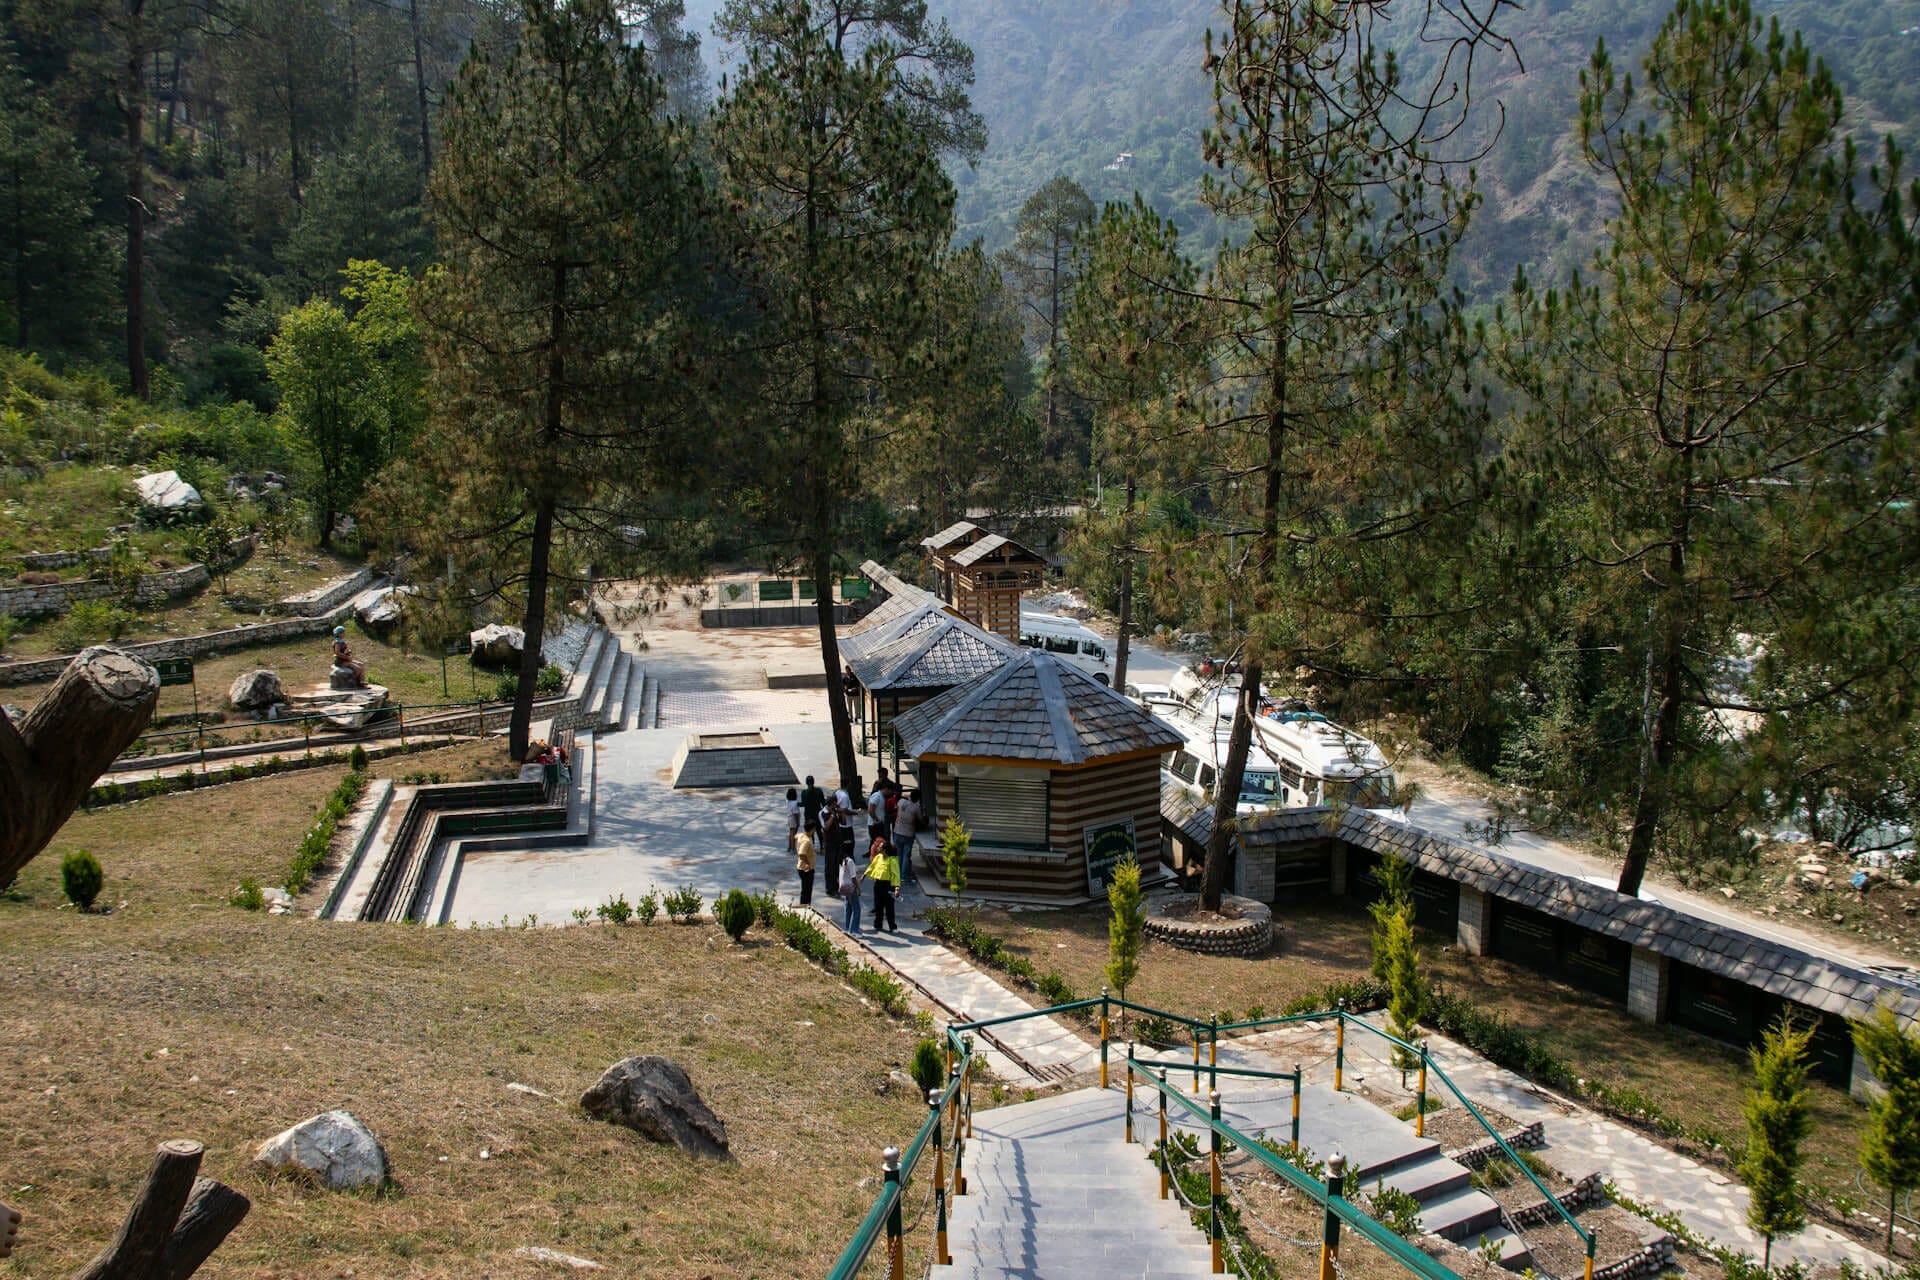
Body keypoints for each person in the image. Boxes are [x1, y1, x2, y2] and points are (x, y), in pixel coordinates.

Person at [868, 828, 898, 933]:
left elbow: (896, 875)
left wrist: (897, 888)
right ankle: (878, 924)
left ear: (885, 850)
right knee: (878, 905)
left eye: (880, 847)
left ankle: (892, 926)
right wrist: (865, 876)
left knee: (889, 907)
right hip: (878, 884)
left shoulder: (892, 861)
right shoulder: (878, 858)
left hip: (889, 885)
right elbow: (872, 867)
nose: (877, 848)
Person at [894, 787, 922, 883]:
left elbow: (897, 809)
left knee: (898, 854)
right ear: (918, 798)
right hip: (908, 834)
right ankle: (904, 875)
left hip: (897, 831)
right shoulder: (916, 808)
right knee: (906, 855)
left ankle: (897, 873)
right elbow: (921, 819)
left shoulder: (901, 802)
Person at [839, 850, 863, 933]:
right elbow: (853, 877)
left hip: (845, 887)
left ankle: (847, 927)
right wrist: (858, 888)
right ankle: (854, 930)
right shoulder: (850, 861)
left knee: (848, 908)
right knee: (856, 909)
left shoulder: (843, 860)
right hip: (851, 888)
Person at [796, 822, 817, 906]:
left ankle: (805, 905)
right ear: (812, 829)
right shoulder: (806, 841)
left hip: (803, 867)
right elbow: (801, 854)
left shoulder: (803, 836)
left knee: (806, 890)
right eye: (814, 829)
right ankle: (804, 906)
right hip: (806, 869)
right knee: (806, 891)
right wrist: (808, 863)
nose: (815, 831)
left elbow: (796, 836)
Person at [785, 787, 800, 853]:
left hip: (789, 818)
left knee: (791, 833)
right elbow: (795, 813)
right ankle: (793, 848)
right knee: (793, 834)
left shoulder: (788, 801)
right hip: (793, 819)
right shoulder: (795, 803)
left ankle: (789, 847)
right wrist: (797, 822)